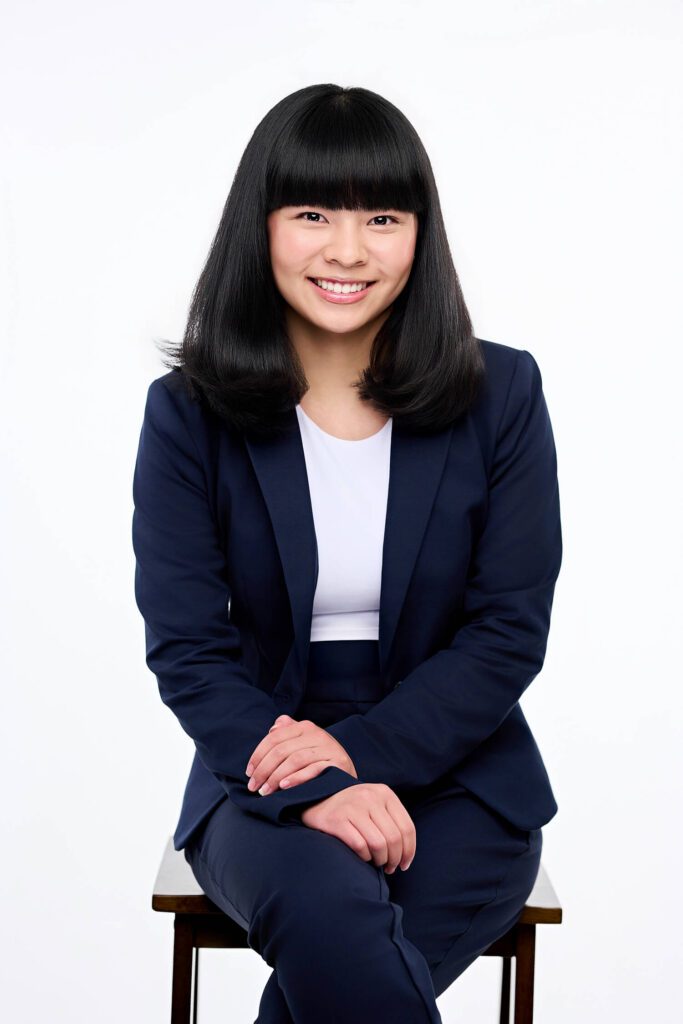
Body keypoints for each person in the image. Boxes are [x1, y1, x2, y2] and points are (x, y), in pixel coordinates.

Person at [132, 83, 563, 1024]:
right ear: (264, 227)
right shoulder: (188, 415)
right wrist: (316, 779)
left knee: (339, 979)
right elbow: (190, 649)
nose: (347, 250)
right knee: (331, 918)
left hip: (460, 764)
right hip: (259, 758)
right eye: (312, 213)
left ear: (419, 233)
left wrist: (356, 752)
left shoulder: (503, 394)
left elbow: (507, 632)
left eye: (381, 216)